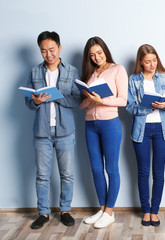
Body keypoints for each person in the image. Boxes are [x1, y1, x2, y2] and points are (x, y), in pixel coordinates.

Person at [24, 31, 81, 229]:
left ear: (59, 48)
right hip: (41, 132)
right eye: (43, 51)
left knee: (67, 174)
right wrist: (36, 101)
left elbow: (77, 99)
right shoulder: (34, 72)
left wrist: (57, 97)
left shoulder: (71, 71)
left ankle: (65, 210)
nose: (48, 54)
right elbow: (28, 103)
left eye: (52, 49)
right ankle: (43, 213)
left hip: (65, 131)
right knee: (42, 175)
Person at [126, 44, 165, 227]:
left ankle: (155, 211)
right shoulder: (132, 80)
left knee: (158, 172)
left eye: (154, 60)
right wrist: (146, 107)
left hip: (162, 129)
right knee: (143, 172)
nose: (152, 64)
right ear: (140, 62)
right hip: (142, 130)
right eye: (147, 61)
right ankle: (145, 211)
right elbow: (129, 107)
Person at [80, 37, 128, 228]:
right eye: (92, 55)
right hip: (90, 124)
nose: (96, 57)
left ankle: (110, 212)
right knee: (96, 169)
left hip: (110, 123)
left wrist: (101, 101)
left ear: (105, 51)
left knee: (111, 169)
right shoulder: (90, 73)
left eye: (99, 53)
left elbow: (123, 100)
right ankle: (101, 209)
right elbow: (82, 105)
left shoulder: (117, 69)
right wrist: (89, 99)